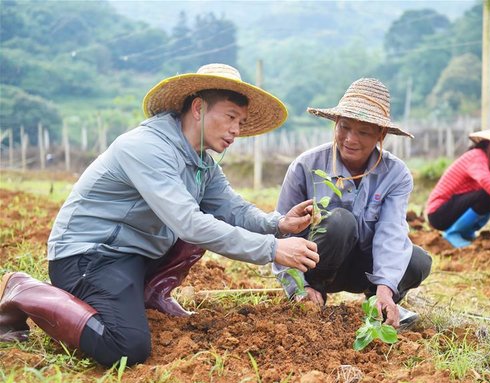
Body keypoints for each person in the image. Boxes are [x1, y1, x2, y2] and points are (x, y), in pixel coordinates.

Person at [0, 63, 320, 366]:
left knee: (203, 224)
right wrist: (273, 250)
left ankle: (148, 294)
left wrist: (277, 223)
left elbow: (231, 208)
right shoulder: (147, 148)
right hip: (89, 256)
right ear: (198, 108)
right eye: (231, 117)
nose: (237, 130)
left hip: (132, 256)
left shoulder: (201, 162)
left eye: (241, 122)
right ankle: (24, 289)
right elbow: (189, 224)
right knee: (127, 347)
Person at [272, 78, 432, 329]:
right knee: (340, 222)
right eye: (344, 127)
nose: (350, 139)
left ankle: (377, 305)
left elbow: (391, 231)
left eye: (364, 132)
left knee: (417, 260)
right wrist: (298, 287)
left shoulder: (395, 174)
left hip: (366, 269)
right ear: (335, 123)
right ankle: (315, 295)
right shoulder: (306, 166)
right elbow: (281, 233)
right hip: (319, 264)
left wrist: (385, 289)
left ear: (381, 134)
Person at [426, 125, 490, 248]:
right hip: (439, 214)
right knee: (489, 193)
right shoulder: (476, 156)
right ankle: (453, 233)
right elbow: (485, 182)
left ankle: (465, 232)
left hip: (451, 211)